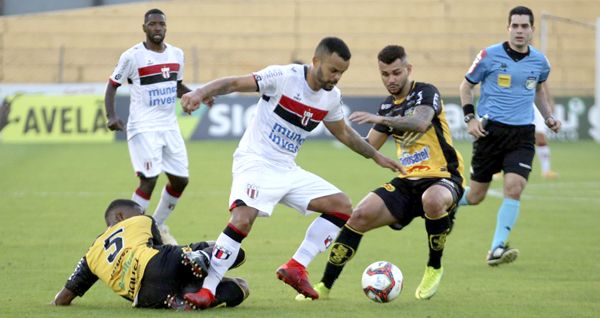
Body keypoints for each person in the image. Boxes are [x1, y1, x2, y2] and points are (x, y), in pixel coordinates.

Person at [179, 36, 404, 308]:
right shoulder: (284, 77)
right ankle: (208, 290)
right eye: (333, 70)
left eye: (342, 72)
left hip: (286, 168)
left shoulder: (331, 98)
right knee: (243, 218)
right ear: (316, 61)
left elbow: (343, 132)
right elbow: (234, 82)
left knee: (340, 205)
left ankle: (296, 266)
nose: (336, 77)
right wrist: (199, 93)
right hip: (256, 161)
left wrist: (376, 155)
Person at [296, 45, 465, 301]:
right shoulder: (387, 107)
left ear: (408, 69)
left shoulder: (426, 92)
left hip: (443, 176)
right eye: (385, 74)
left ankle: (434, 266)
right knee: (359, 216)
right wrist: (333, 126)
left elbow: (419, 122)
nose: (391, 80)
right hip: (407, 180)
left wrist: (381, 120)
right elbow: (370, 146)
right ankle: (324, 285)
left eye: (396, 73)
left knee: (432, 200)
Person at [458, 6, 561, 266]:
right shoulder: (488, 55)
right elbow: (466, 86)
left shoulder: (540, 62)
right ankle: (437, 202)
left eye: (524, 26)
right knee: (475, 196)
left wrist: (548, 117)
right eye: (514, 26)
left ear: (532, 30)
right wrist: (470, 119)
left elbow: (538, 91)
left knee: (514, 187)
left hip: (522, 134)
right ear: (508, 29)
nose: (519, 31)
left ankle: (496, 248)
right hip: (490, 132)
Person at [52, 199, 249, 311]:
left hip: (146, 296)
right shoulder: (141, 220)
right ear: (120, 216)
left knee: (236, 285)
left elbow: (63, 298)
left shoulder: (90, 255)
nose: (142, 213)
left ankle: (184, 299)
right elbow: (161, 248)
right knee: (235, 256)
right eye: (138, 211)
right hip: (159, 262)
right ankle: (201, 257)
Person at [104, 8, 192, 245]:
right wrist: (112, 116)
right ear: (144, 28)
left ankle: (158, 224)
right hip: (143, 127)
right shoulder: (132, 56)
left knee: (180, 180)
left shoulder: (176, 54)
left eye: (161, 24)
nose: (157, 28)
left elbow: (176, 86)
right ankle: (132, 234)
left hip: (169, 126)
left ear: (166, 27)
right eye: (152, 24)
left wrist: (197, 96)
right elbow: (112, 85)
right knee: (149, 178)